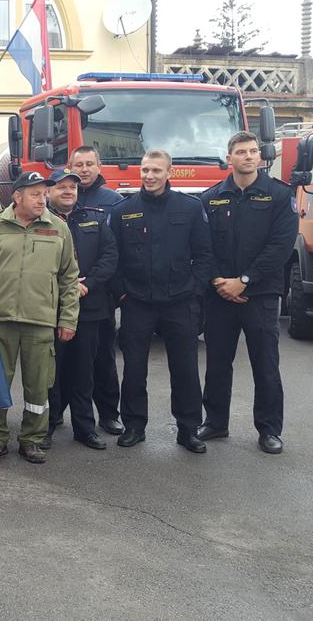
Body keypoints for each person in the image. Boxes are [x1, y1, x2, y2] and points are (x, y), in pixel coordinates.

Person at [198, 132, 298, 454]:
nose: (249, 156)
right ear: (230, 158)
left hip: (261, 295)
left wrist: (244, 280)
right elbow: (202, 247)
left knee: (265, 364)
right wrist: (218, 281)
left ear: (260, 156)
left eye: (254, 151)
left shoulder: (279, 196)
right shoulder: (210, 198)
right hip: (219, 295)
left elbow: (280, 247)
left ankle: (269, 429)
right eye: (241, 152)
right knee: (217, 362)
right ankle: (215, 422)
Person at [0, 171, 80, 464]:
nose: (42, 199)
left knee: (38, 386)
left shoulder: (58, 228)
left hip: (40, 321)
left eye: (44, 193)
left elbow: (69, 278)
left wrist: (68, 319)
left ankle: (32, 439)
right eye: (35, 194)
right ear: (17, 197)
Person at [109, 149, 214, 453]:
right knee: (133, 368)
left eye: (156, 170)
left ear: (170, 173)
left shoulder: (190, 208)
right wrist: (122, 293)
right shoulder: (123, 210)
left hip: (180, 301)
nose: (150, 176)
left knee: (185, 369)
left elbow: (204, 255)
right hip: (137, 302)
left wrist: (194, 290)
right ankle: (133, 425)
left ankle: (188, 428)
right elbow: (112, 257)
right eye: (145, 170)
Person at [42, 168, 117, 451]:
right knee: (51, 372)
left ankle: (84, 428)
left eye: (72, 188)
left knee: (84, 371)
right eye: (61, 187)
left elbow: (110, 256)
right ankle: (47, 425)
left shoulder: (95, 219)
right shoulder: (40, 222)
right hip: (50, 309)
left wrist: (89, 284)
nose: (67, 192)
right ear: (49, 191)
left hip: (89, 308)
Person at [69, 146, 127, 435]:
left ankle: (108, 413)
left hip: (101, 295)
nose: (84, 169)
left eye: (89, 163)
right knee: (70, 360)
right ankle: (62, 415)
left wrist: (112, 290)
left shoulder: (114, 202)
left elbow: (117, 251)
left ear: (99, 166)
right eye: (78, 164)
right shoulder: (63, 196)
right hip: (67, 297)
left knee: (103, 360)